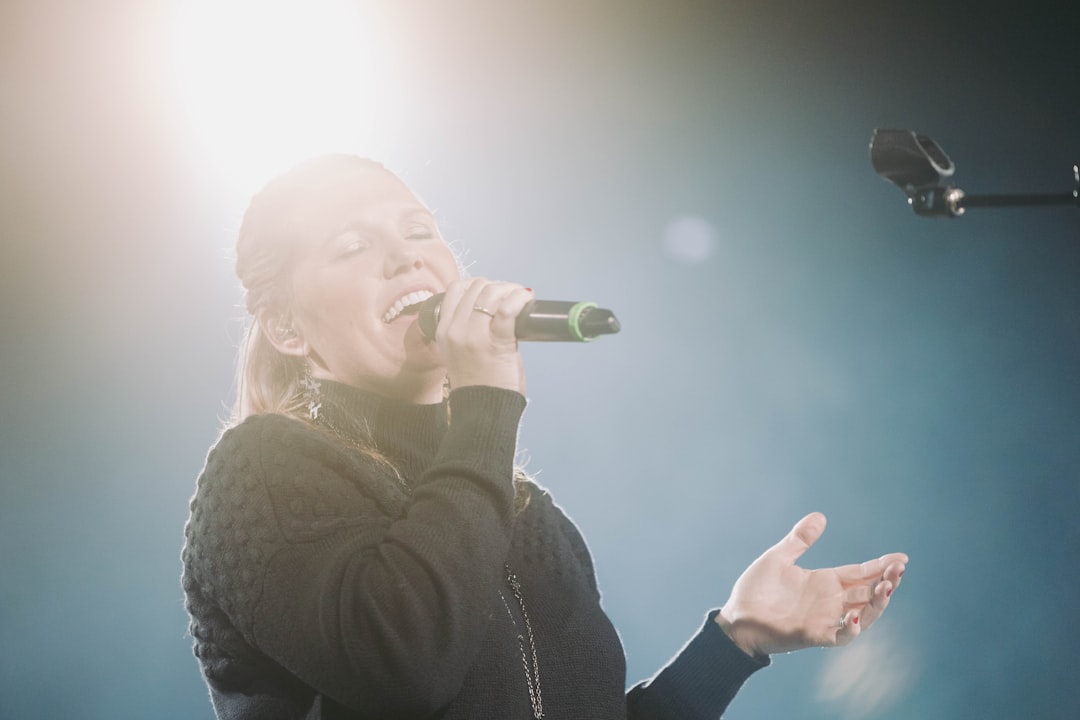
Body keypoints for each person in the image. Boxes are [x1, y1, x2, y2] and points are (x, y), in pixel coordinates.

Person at [181, 154, 908, 719]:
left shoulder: (526, 514)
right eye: (350, 246)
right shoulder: (263, 471)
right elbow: (404, 665)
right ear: (285, 327)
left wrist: (736, 639)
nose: (406, 258)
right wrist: (485, 404)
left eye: (418, 230)